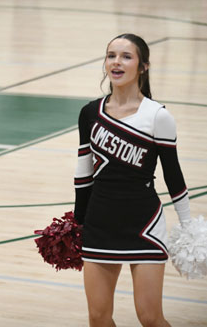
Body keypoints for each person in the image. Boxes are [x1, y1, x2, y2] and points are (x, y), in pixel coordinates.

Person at [73, 33, 192, 326]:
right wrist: (77, 223)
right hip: (100, 223)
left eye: (126, 56)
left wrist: (188, 226)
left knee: (150, 317)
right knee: (98, 317)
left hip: (144, 224)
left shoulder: (157, 116)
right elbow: (83, 174)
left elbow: (173, 174)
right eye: (111, 55)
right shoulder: (90, 113)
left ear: (143, 66)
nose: (116, 62)